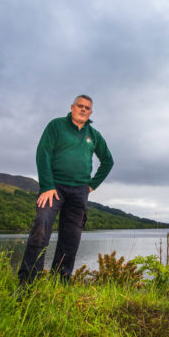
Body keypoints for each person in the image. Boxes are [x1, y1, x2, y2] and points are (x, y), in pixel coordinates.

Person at [17, 94, 114, 291]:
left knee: (71, 238)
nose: (83, 109)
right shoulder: (56, 126)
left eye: (87, 107)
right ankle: (27, 283)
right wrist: (47, 186)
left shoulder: (93, 135)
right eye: (80, 106)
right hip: (54, 187)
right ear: (72, 107)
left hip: (79, 191)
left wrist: (92, 185)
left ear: (91, 112)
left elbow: (108, 161)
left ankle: (60, 283)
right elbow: (43, 153)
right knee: (41, 227)